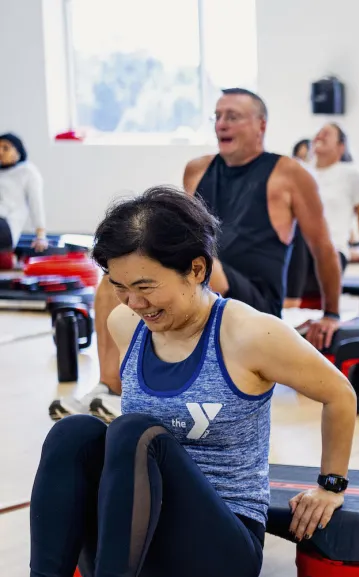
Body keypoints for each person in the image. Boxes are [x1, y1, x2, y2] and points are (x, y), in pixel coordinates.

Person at [28, 186, 356, 577]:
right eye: (120, 287)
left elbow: (339, 393)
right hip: (131, 556)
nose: (134, 302)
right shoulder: (125, 325)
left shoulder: (250, 333)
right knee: (73, 433)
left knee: (134, 433)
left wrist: (330, 485)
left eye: (145, 286)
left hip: (217, 560)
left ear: (197, 270)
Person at [83, 89, 343, 421]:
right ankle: (109, 389)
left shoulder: (290, 174)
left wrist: (331, 313)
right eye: (217, 116)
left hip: (255, 299)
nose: (222, 124)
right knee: (115, 279)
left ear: (261, 125)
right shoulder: (197, 169)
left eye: (233, 116)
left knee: (201, 260)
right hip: (201, 288)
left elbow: (322, 247)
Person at [284, 123, 359, 308]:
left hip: (330, 255)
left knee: (302, 230)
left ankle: (290, 305)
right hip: (295, 255)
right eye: (318, 133)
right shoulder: (300, 171)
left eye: (326, 134)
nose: (319, 136)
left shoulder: (352, 176)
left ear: (341, 146)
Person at [0, 133, 49, 256]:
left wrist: (41, 236)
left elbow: (35, 203)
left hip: (5, 225)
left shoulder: (27, 171)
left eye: (5, 148)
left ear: (18, 151)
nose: (0, 152)